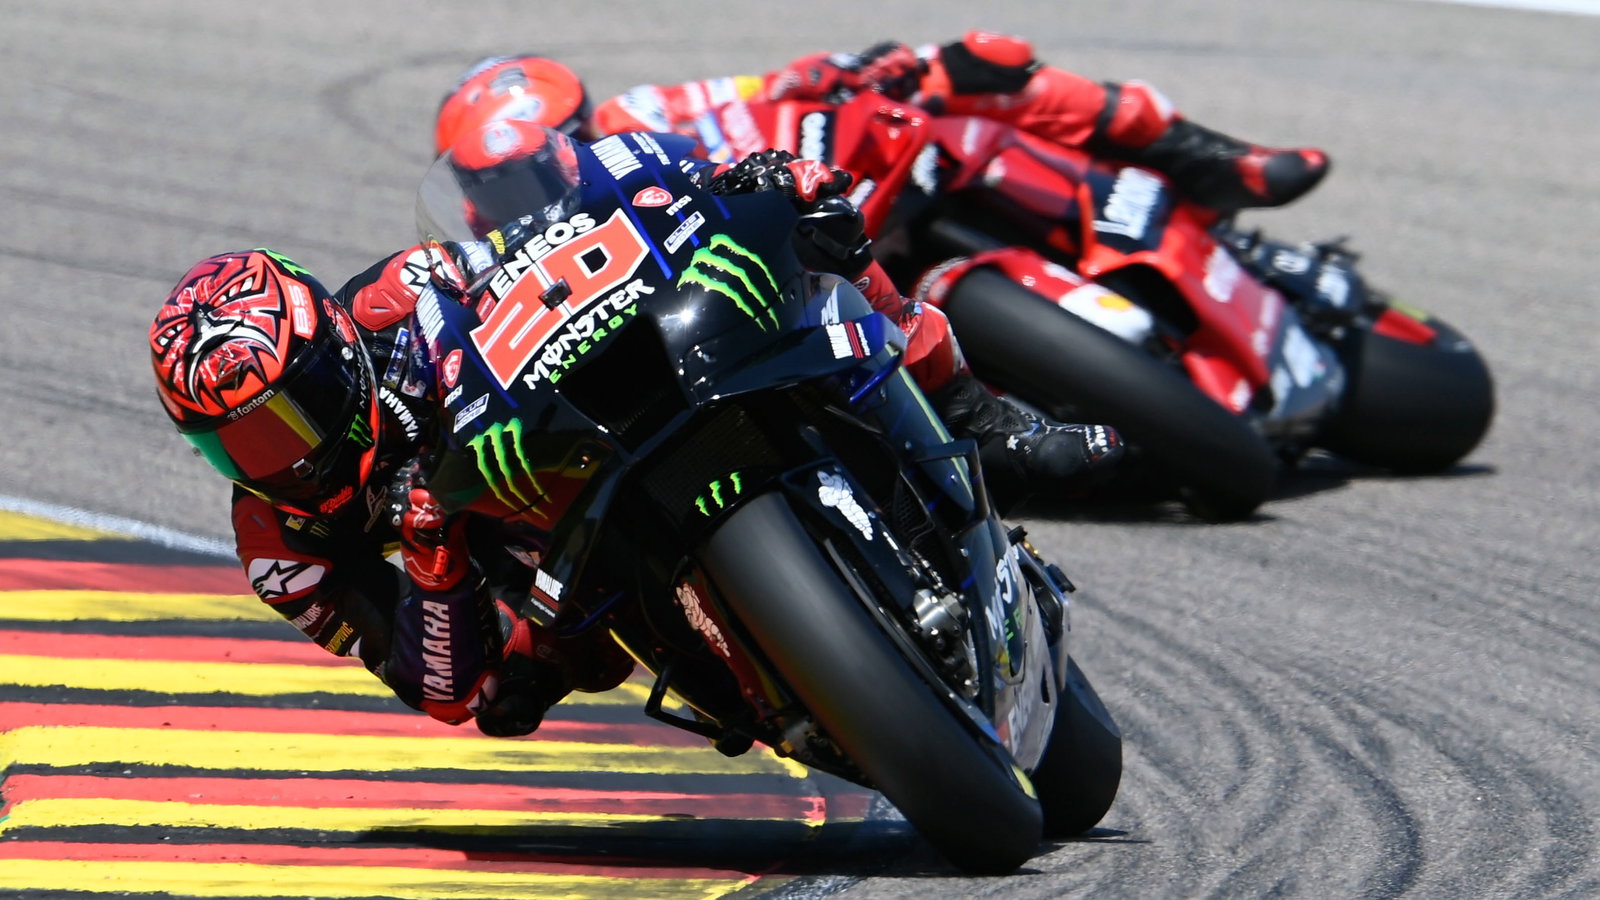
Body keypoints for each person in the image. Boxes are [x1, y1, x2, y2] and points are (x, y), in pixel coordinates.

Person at [147, 129, 1121, 739]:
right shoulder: (281, 547)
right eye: (240, 447)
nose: (284, 456)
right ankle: (764, 671)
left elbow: (542, 249)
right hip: (540, 588)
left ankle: (980, 423)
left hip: (569, 431)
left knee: (814, 257)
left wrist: (727, 185)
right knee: (507, 697)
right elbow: (440, 691)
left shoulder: (399, 298)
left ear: (331, 359)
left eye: (287, 417)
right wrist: (437, 560)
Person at [432, 31, 1328, 218]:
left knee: (976, 61)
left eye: (532, 163)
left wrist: (830, 77)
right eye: (493, 182)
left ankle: (1211, 159)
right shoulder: (495, 250)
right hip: (765, 293)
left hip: (811, 188)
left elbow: (761, 87)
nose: (520, 190)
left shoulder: (643, 114)